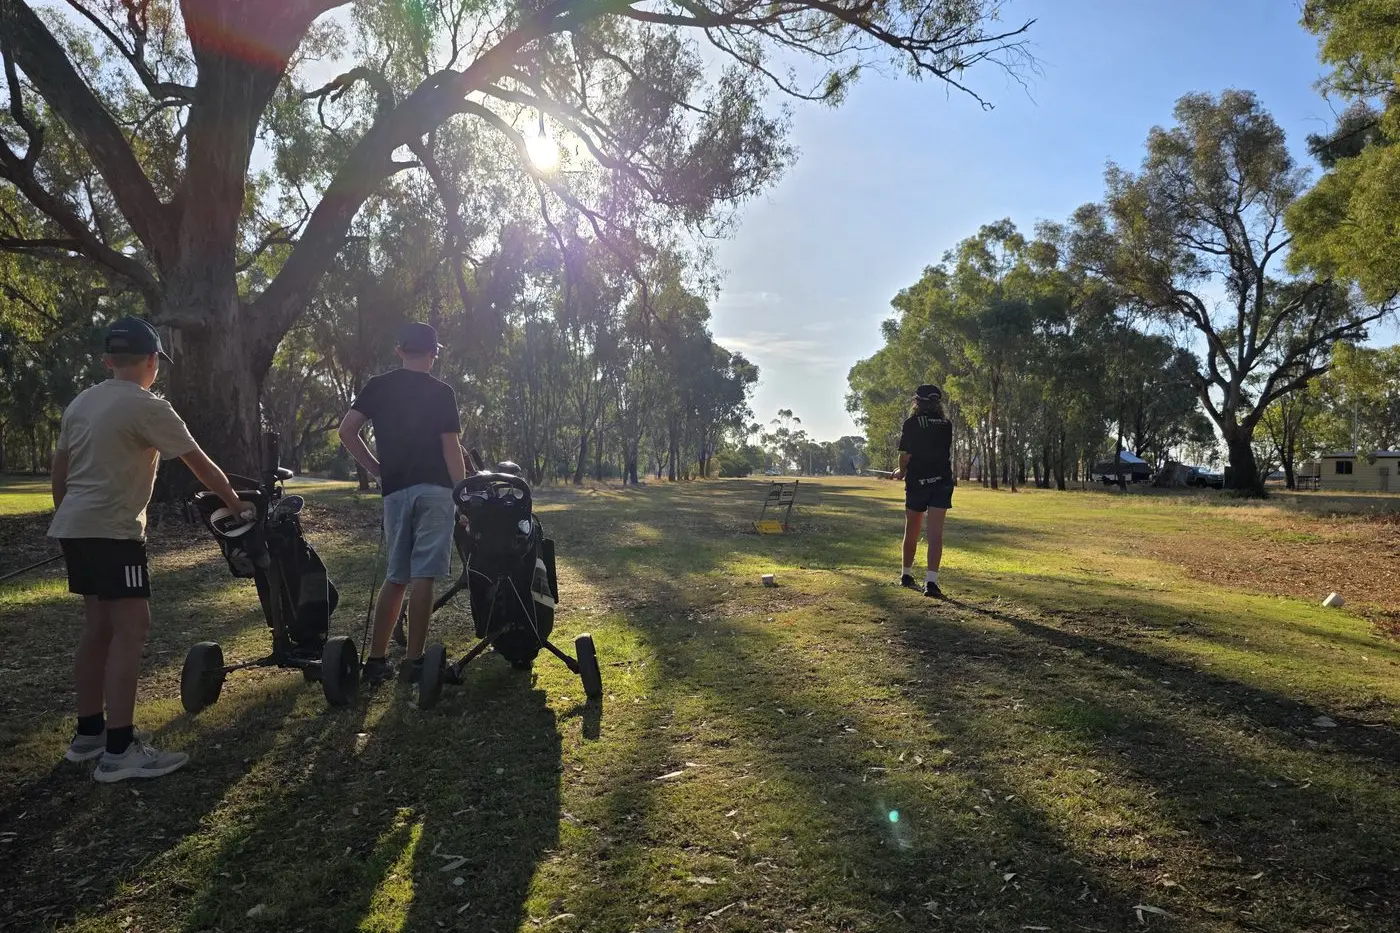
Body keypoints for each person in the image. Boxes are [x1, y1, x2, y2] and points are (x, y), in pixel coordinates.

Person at [49, 316, 255, 782]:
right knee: (132, 628)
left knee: (97, 628)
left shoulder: (81, 402)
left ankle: (89, 735)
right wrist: (234, 503)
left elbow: (60, 472)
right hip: (113, 532)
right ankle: (119, 750)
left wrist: (72, 523)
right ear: (151, 361)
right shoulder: (150, 406)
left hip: (77, 526)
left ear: (108, 360)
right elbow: (200, 465)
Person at [338, 322, 466, 687]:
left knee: (396, 576)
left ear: (399, 351)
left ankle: (376, 660)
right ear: (433, 354)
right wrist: (462, 494)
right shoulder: (442, 392)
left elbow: (347, 431)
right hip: (436, 491)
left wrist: (377, 470)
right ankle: (413, 661)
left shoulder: (378, 386)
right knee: (424, 574)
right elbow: (451, 449)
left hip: (396, 492)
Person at [891, 384, 955, 599]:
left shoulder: (911, 424)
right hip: (941, 482)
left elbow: (905, 455)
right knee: (935, 534)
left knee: (912, 530)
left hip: (917, 482)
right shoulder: (946, 425)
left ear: (917, 402)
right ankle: (931, 582)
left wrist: (900, 472)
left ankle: (906, 575)